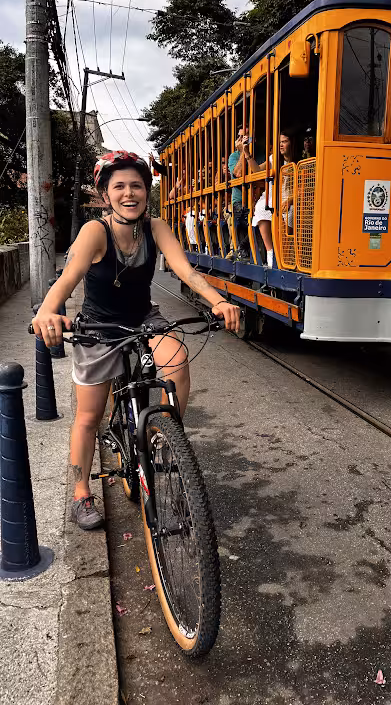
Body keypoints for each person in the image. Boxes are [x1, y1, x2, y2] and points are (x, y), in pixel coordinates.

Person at [32, 151, 240, 530]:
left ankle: (165, 436)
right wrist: (47, 311)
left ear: (147, 191)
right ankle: (80, 494)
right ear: (106, 195)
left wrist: (219, 300)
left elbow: (185, 270)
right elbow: (67, 279)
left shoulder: (155, 227)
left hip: (144, 318)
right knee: (89, 415)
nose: (130, 193)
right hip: (99, 326)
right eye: (120, 187)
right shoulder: (96, 231)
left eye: (137, 186)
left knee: (176, 358)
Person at [240, 131, 295, 268]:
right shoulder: (273, 159)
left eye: (284, 141)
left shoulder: (298, 162)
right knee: (261, 207)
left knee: (291, 212)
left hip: (289, 198)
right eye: (279, 142)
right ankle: (270, 252)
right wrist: (247, 153)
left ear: (291, 143)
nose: (281, 145)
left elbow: (302, 187)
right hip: (272, 195)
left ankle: (285, 254)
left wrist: (290, 201)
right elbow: (257, 171)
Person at [227, 128, 251, 261]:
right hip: (240, 201)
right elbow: (238, 174)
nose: (244, 139)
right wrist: (243, 151)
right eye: (241, 137)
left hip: (258, 198)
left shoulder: (259, 152)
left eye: (246, 136)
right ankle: (242, 250)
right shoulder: (234, 156)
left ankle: (242, 249)